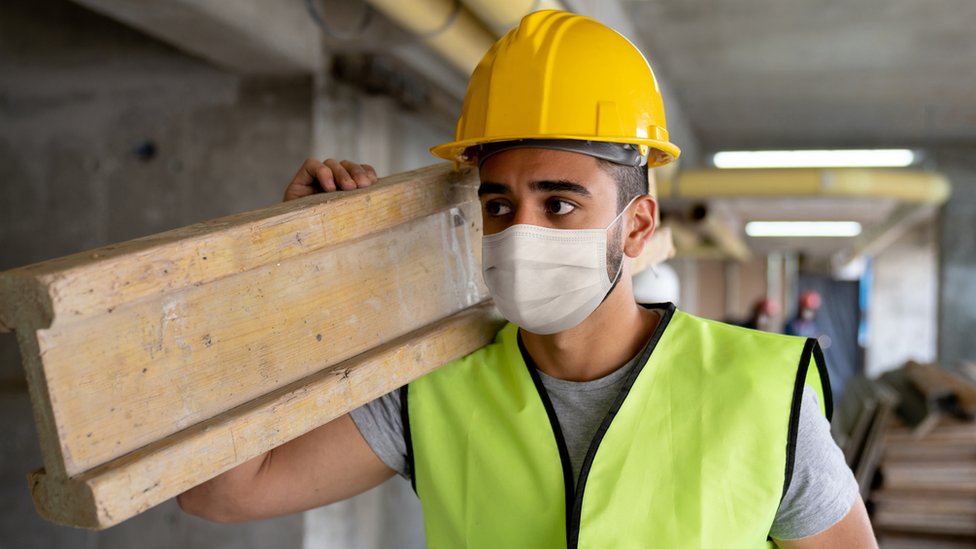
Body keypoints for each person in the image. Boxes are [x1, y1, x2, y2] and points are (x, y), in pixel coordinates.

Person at [178, 10, 876, 548]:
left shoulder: (761, 398)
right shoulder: (432, 392)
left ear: (636, 226)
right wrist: (285, 270)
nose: (522, 232)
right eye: (499, 205)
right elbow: (219, 491)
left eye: (560, 203)